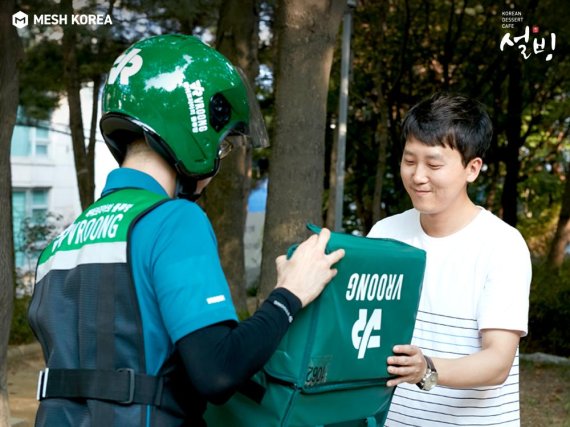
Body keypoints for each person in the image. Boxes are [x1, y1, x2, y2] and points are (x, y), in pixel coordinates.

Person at [28, 34, 344, 426]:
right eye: (224, 146)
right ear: (194, 128)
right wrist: (289, 296)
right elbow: (217, 371)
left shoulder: (59, 245)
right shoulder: (173, 220)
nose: (220, 159)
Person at [368, 93, 531, 426]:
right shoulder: (385, 234)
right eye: (409, 160)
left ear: (472, 169)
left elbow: (497, 361)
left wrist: (425, 367)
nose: (418, 175)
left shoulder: (502, 245)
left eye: (434, 164)